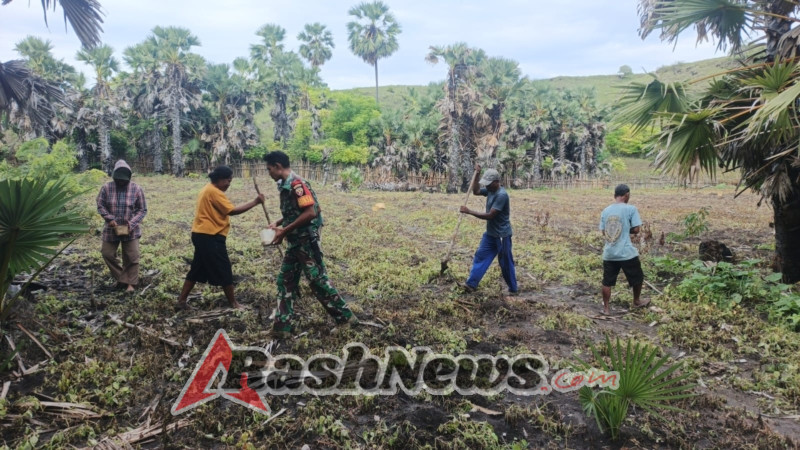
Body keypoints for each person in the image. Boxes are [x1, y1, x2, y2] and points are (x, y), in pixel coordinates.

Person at [264, 151, 356, 339]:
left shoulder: (297, 184)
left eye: (269, 169)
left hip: (306, 240)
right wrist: (279, 223)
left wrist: (284, 231)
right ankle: (282, 327)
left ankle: (346, 319)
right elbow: (302, 209)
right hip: (295, 241)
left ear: (278, 166)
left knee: (317, 280)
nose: (269, 173)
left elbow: (312, 212)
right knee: (285, 281)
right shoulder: (287, 184)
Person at [175, 166, 265, 310]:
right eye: (228, 181)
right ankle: (234, 303)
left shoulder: (207, 189)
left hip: (201, 234)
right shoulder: (213, 192)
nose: (229, 184)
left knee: (197, 268)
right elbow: (232, 210)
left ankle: (181, 301)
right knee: (224, 268)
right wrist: (255, 202)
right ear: (220, 179)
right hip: (210, 236)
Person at [459, 164, 518, 295]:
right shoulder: (491, 190)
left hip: (502, 235)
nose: (486, 186)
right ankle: (471, 284)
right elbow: (476, 191)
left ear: (496, 182)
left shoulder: (501, 195)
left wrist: (469, 211)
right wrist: (477, 175)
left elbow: (490, 215)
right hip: (490, 234)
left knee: (505, 263)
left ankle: (513, 289)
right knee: (481, 256)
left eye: (489, 184)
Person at [97, 160, 147, 293]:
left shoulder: (136, 189)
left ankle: (131, 284)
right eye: (118, 180)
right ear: (114, 177)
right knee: (107, 253)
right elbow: (100, 206)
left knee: (132, 256)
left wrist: (131, 224)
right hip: (111, 229)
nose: (121, 183)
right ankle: (123, 278)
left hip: (131, 230)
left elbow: (142, 210)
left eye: (124, 181)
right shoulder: (106, 188)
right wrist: (110, 219)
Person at [599, 184, 650, 315]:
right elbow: (637, 229)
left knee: (607, 281)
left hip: (609, 253)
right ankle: (637, 301)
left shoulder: (605, 211)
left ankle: (606, 308)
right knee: (637, 277)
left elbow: (604, 232)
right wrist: (627, 229)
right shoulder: (631, 209)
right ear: (626, 195)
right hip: (626, 252)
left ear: (615, 196)